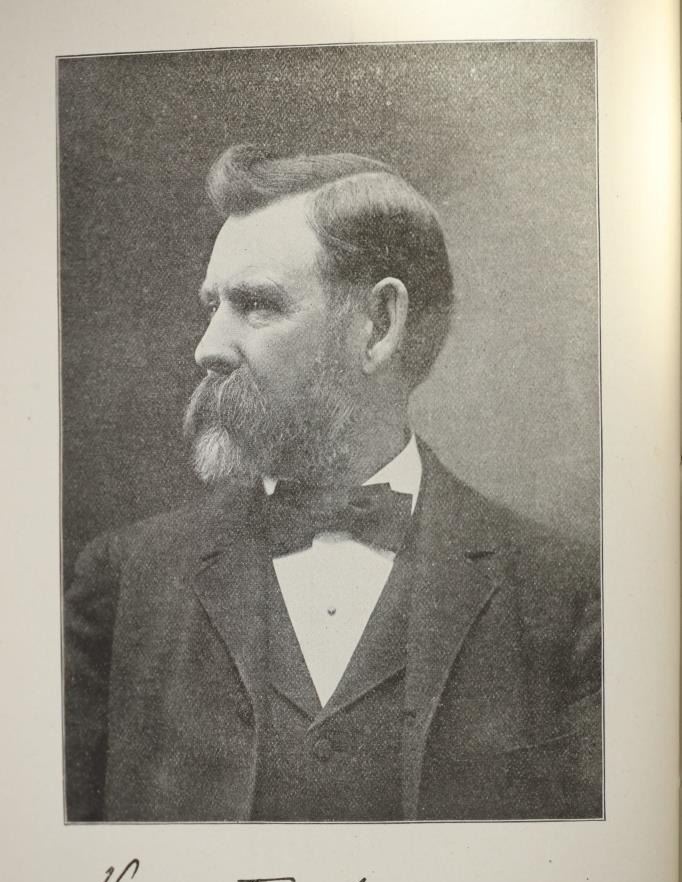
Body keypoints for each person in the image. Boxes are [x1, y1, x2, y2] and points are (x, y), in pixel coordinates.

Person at [64, 144, 602, 822]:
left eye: (255, 304)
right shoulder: (123, 584)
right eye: (212, 305)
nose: (208, 347)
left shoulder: (567, 598)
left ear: (379, 325)